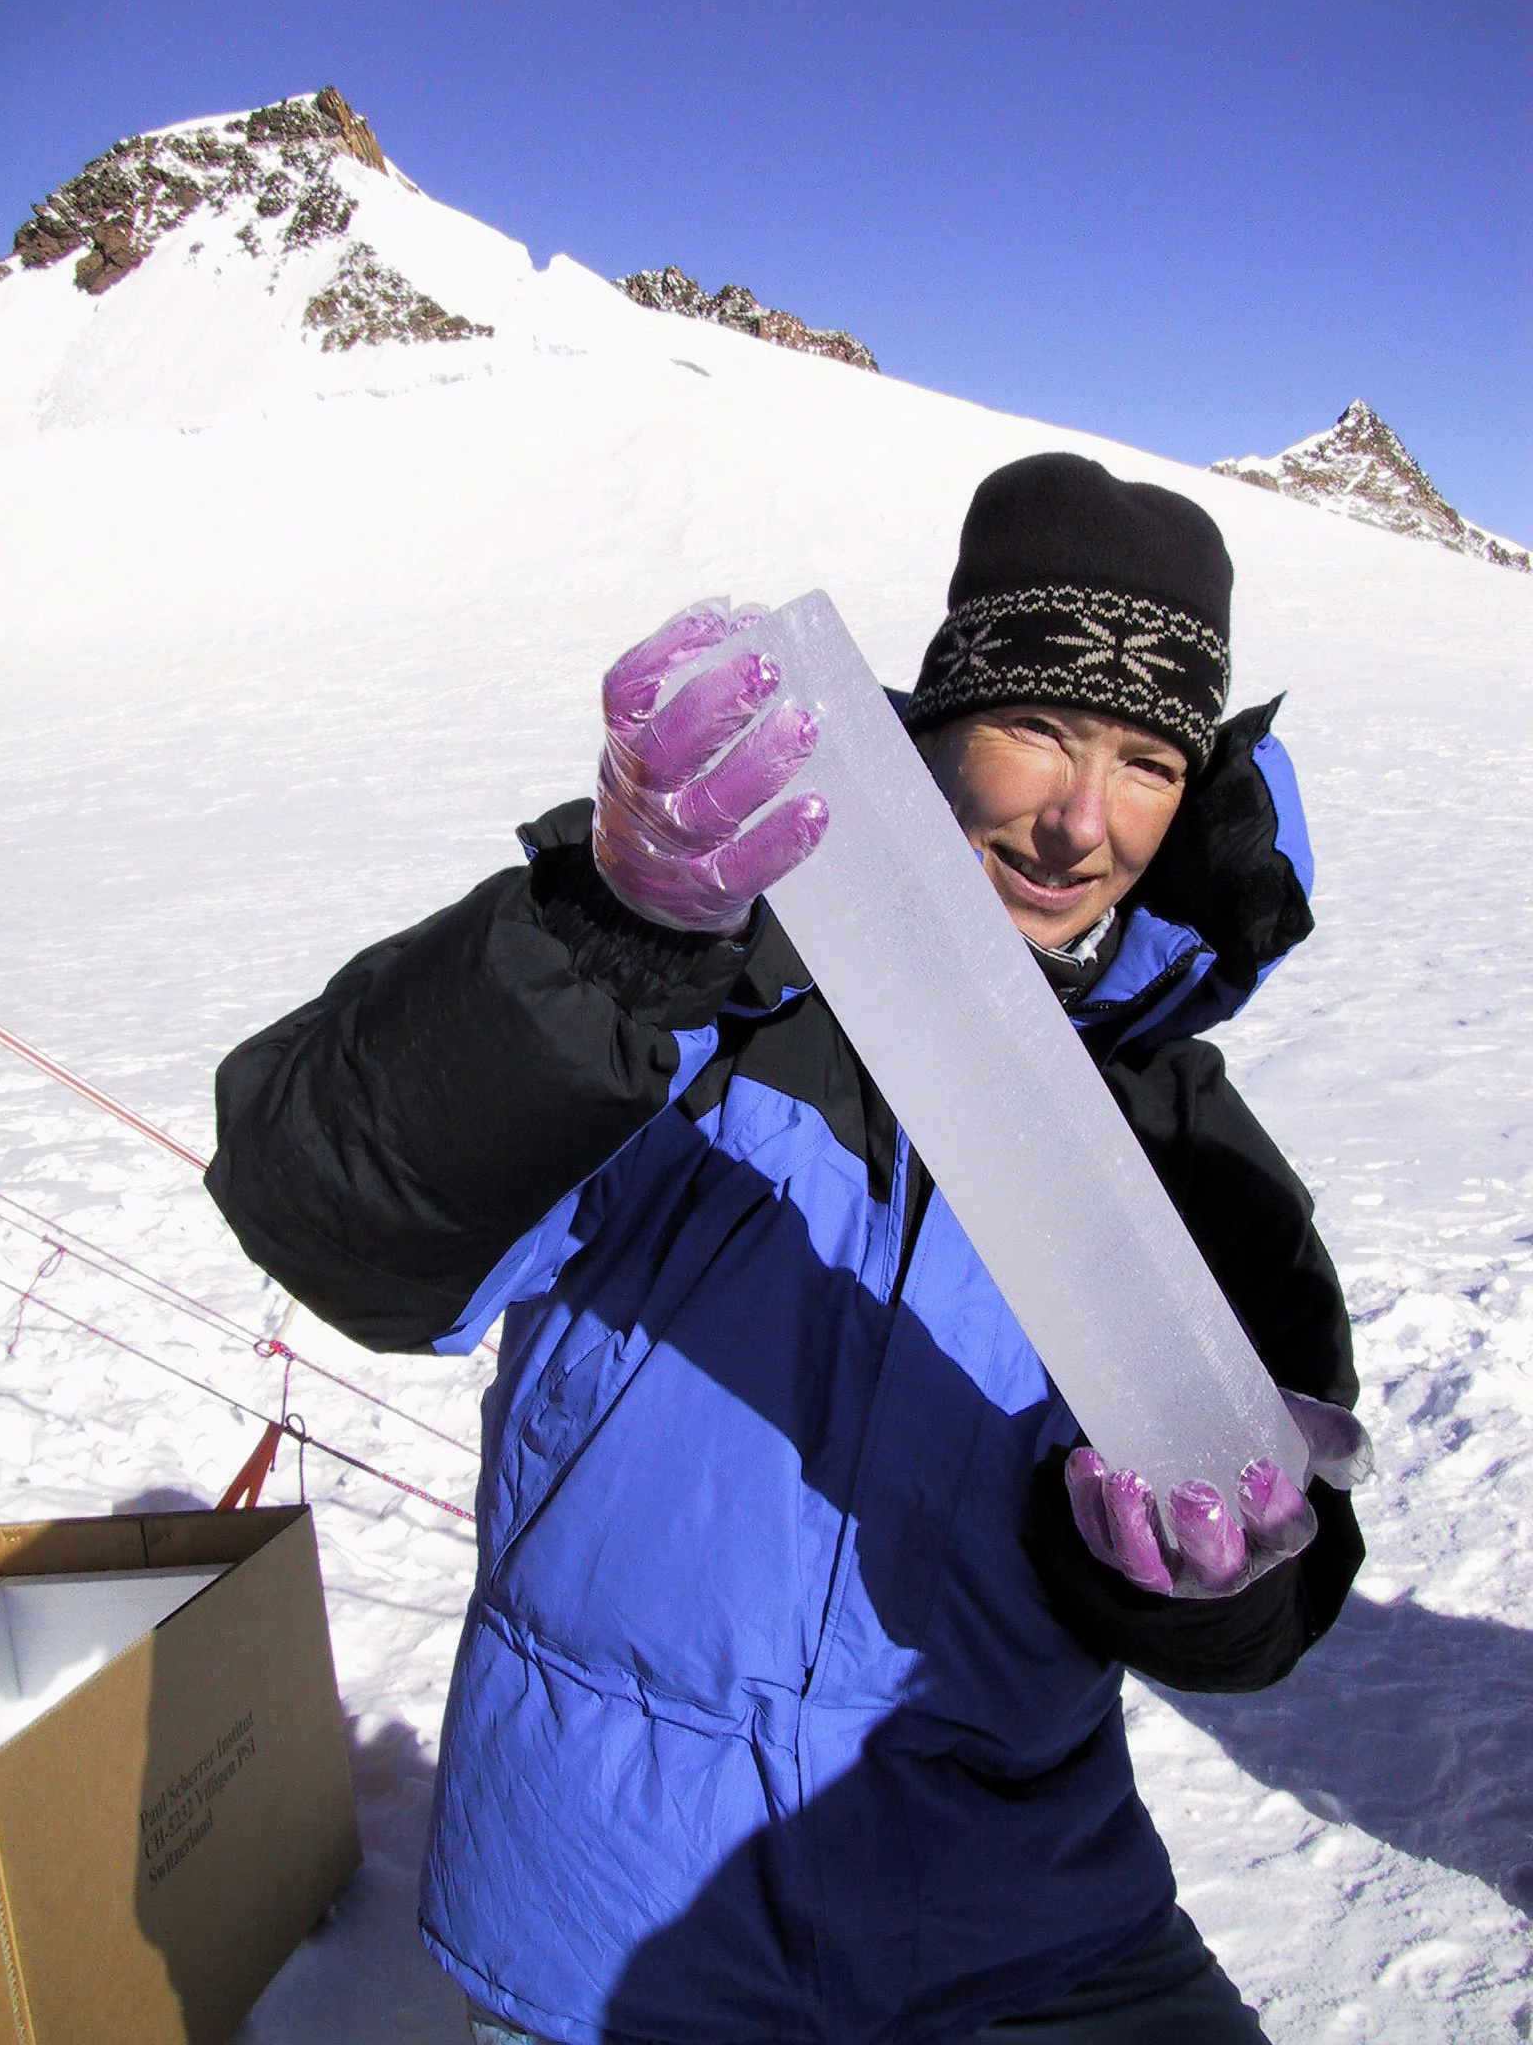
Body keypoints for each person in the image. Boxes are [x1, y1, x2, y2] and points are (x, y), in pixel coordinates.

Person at [206, 454, 1366, 2044]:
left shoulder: (1188, 1155)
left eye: (1148, 758)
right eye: (1038, 726)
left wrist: (1199, 1584)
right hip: (615, 1933)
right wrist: (603, 939)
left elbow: (1273, 1624)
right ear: (943, 721)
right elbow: (325, 1209)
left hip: (1036, 1935)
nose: (1080, 821)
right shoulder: (691, 992)